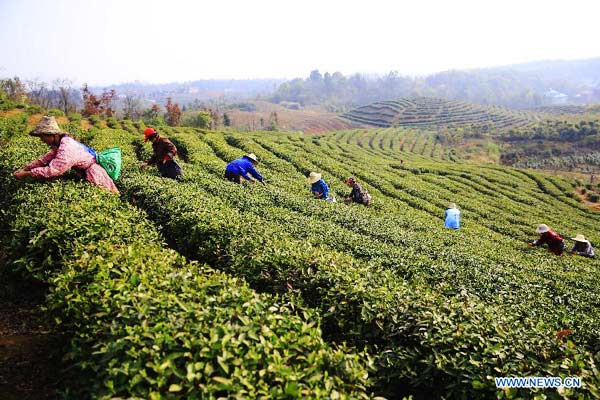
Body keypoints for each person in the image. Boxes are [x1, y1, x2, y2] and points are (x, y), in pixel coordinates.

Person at [13, 116, 118, 193]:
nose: (41, 140)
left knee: (104, 196)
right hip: (85, 173)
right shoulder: (61, 144)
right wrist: (26, 168)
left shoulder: (67, 148)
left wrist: (27, 174)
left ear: (52, 135)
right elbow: (44, 160)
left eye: (42, 137)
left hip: (94, 174)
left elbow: (53, 170)